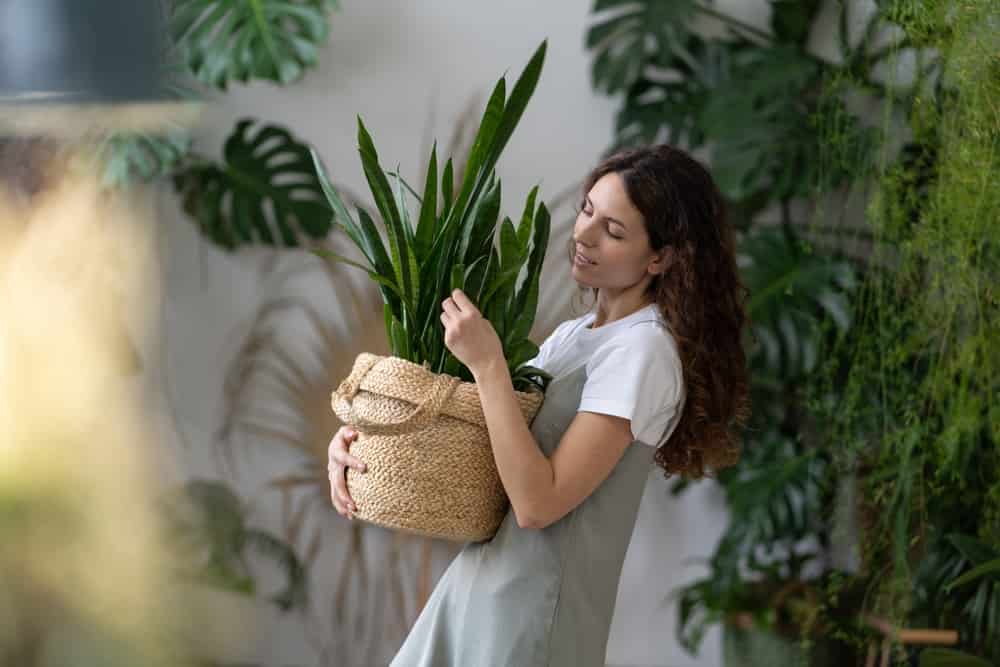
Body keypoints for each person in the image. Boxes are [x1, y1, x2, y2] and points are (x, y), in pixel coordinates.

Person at [327, 144, 751, 666]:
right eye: (588, 211)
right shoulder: (574, 337)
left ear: (661, 258)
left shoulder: (643, 350)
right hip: (481, 590)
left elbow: (538, 504)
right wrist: (364, 445)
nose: (584, 236)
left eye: (614, 232)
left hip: (530, 619)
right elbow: (485, 454)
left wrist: (488, 367)